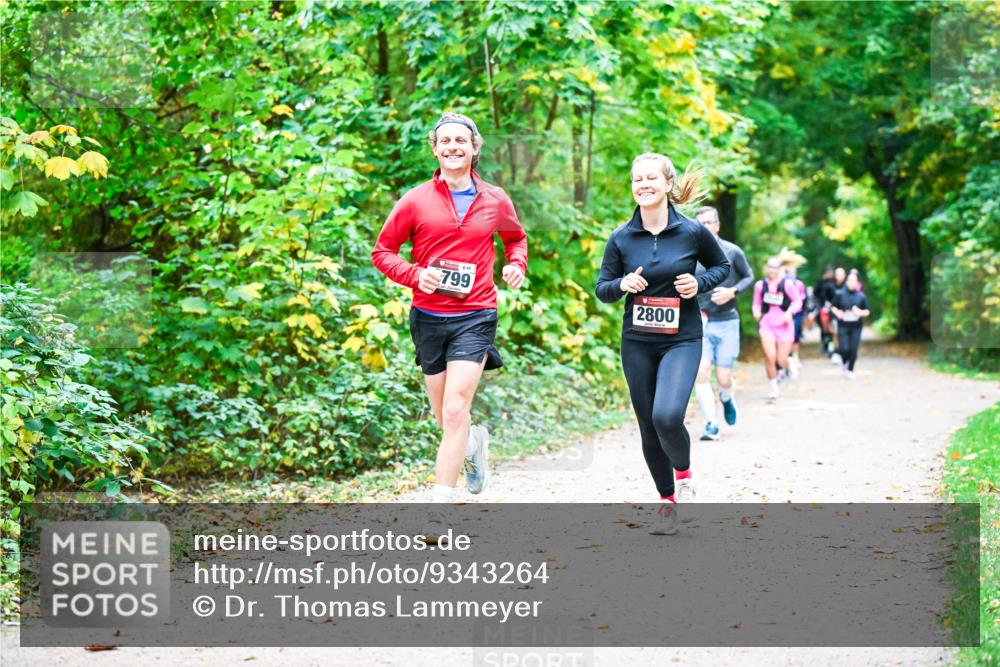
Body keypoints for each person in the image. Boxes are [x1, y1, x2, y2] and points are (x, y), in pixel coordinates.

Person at [371, 112, 528, 514]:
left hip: (475, 312)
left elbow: (515, 239)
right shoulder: (415, 200)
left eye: (461, 140)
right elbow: (382, 252)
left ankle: (440, 505)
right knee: (445, 416)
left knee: (457, 406)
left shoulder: (495, 199)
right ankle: (473, 444)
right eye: (445, 141)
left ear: (474, 148)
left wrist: (516, 265)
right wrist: (414, 275)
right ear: (435, 149)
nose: (453, 147)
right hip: (428, 315)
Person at [595, 153, 730, 535]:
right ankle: (667, 503)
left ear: (668, 184)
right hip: (637, 342)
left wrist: (698, 284)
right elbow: (603, 289)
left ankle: (684, 478)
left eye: (651, 178)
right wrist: (622, 284)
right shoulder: (622, 238)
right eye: (637, 179)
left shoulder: (692, 232)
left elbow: (722, 267)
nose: (643, 185)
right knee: (648, 427)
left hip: (681, 339)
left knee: (666, 416)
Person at [692, 206, 754, 441]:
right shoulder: (690, 254)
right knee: (701, 373)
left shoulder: (732, 251)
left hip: (727, 321)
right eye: (700, 224)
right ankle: (711, 424)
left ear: (717, 225)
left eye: (709, 223)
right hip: (701, 321)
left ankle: (727, 398)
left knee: (724, 378)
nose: (705, 228)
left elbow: (748, 277)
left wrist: (732, 292)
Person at [752, 256, 803, 400]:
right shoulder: (760, 285)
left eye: (775, 267)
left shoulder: (787, 284)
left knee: (781, 360)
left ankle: (789, 361)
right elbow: (756, 303)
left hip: (785, 325)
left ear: (780, 269)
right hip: (767, 324)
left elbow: (797, 302)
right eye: (769, 266)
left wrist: (789, 312)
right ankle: (774, 388)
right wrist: (756, 312)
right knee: (770, 357)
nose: (771, 270)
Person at [831, 271, 870, 379]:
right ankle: (844, 363)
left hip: (856, 326)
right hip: (843, 325)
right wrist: (838, 313)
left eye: (854, 280)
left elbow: (867, 311)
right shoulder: (839, 294)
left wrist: (860, 312)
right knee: (844, 348)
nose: (852, 283)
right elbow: (833, 307)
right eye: (850, 280)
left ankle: (851, 369)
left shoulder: (861, 296)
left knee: (853, 348)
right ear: (846, 281)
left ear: (857, 282)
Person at [781, 252, 808, 380]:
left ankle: (793, 356)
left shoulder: (799, 284)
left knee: (794, 337)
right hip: (781, 315)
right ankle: (786, 361)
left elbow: (802, 300)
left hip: (796, 315)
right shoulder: (780, 281)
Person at [814, 267, 838, 357]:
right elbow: (816, 294)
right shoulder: (820, 283)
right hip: (822, 309)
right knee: (824, 329)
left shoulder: (834, 283)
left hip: (832, 309)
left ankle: (831, 348)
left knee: (831, 330)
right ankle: (825, 346)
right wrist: (820, 305)